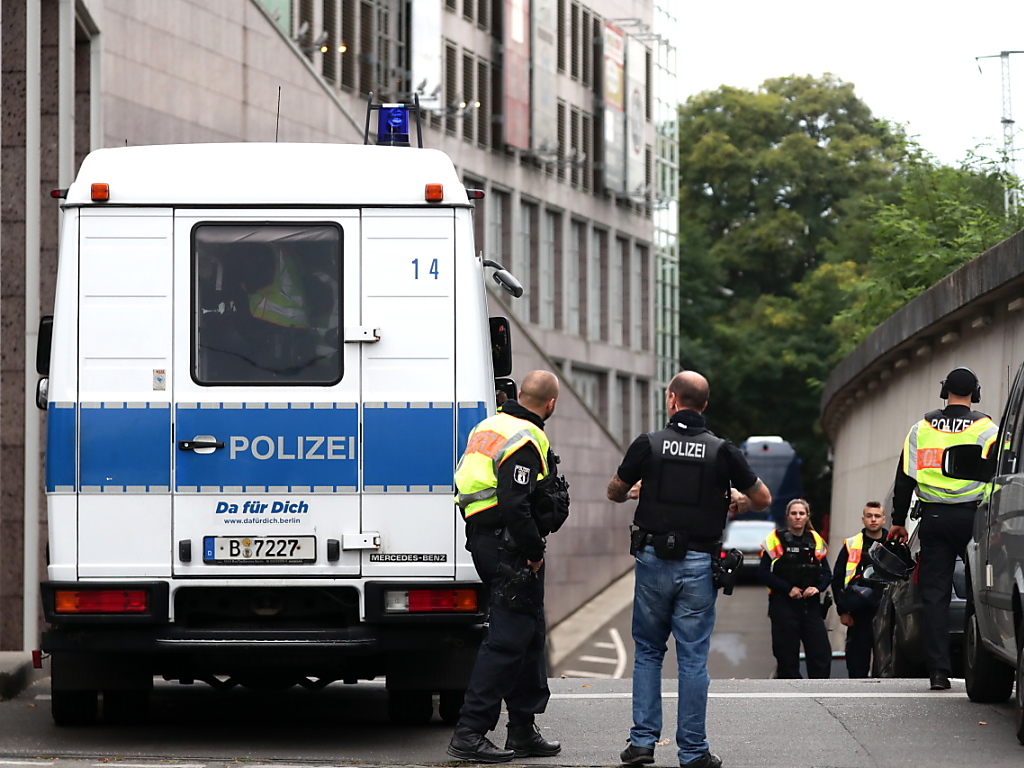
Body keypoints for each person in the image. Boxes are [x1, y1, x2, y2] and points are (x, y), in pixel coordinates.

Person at [607, 370, 771, 768]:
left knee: (647, 652)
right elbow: (762, 498)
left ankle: (643, 743)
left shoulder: (648, 444)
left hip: (651, 560)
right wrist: (737, 500)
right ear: (705, 405)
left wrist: (634, 490)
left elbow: (613, 491)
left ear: (671, 399)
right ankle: (693, 751)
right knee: (693, 660)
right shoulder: (722, 451)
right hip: (699, 564)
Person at [447, 370, 565, 764]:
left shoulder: (491, 424)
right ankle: (469, 732)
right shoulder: (525, 439)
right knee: (507, 640)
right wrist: (533, 551)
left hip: (488, 539)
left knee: (529, 635)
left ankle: (521, 729)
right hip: (509, 547)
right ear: (550, 403)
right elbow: (516, 505)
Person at [889, 366, 998, 690]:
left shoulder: (920, 429)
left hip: (934, 518)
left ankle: (938, 673)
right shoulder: (988, 430)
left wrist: (898, 521)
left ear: (943, 391)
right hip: (974, 518)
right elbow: (998, 476)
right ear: (975, 393)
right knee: (981, 593)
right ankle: (979, 662)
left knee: (935, 596)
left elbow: (904, 478)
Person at [758, 498, 832, 679]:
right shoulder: (775, 539)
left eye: (801, 513)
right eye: (794, 513)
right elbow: (764, 573)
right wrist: (788, 588)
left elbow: (827, 573)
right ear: (787, 516)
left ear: (807, 516)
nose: (798, 517)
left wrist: (817, 588)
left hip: (810, 607)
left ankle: (819, 694)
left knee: (821, 654)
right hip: (783, 604)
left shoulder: (815, 540)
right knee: (786, 657)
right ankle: (791, 696)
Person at [832, 501, 888, 678]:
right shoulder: (851, 545)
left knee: (886, 663)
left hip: (887, 610)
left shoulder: (893, 544)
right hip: (859, 611)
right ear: (863, 519)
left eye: (877, 516)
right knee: (857, 663)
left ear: (883, 519)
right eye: (869, 516)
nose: (873, 520)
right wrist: (842, 611)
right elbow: (837, 580)